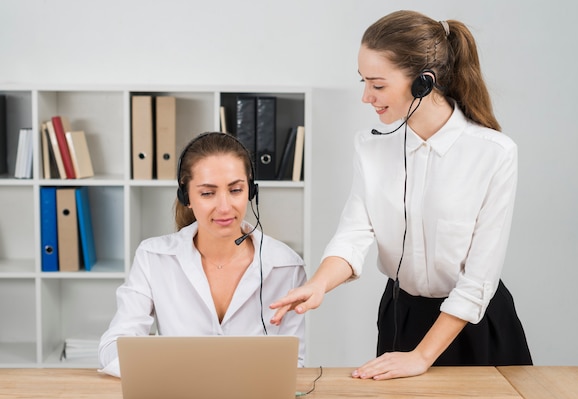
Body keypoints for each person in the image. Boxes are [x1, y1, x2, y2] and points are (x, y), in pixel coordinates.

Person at [270, 10, 532, 380]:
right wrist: (318, 285)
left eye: (377, 85)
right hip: (403, 318)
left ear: (424, 82)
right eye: (363, 82)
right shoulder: (371, 147)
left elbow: (479, 279)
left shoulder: (494, 152)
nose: (366, 97)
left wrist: (422, 356)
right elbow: (354, 234)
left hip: (474, 323)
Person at [99, 132, 306, 377]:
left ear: (251, 191)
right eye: (208, 193)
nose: (225, 207)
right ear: (186, 197)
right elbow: (113, 348)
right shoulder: (153, 257)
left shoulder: (287, 266)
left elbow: (295, 363)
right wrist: (170, 371)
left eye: (236, 190)